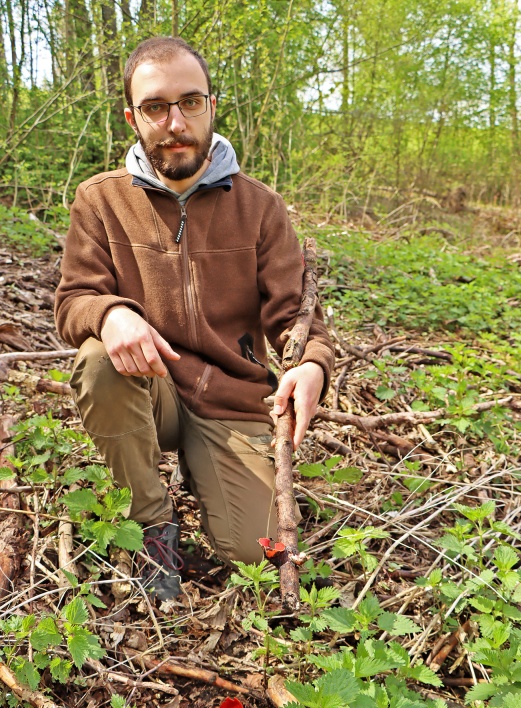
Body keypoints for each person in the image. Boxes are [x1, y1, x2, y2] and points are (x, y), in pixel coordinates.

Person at [54, 36, 335, 600]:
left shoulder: (260, 207)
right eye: (156, 107)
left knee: (251, 552)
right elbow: (73, 300)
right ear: (133, 117)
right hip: (149, 387)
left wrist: (312, 367)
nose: (174, 121)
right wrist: (109, 316)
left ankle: (208, 471)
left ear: (211, 105)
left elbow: (296, 318)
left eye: (190, 102)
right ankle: (153, 524)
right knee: (98, 360)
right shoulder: (100, 200)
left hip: (232, 400)